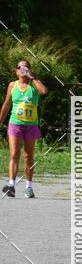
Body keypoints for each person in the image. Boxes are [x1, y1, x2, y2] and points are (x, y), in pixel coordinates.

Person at [1, 59, 48, 198]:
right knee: (14, 154)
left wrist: (33, 77)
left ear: (29, 70)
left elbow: (44, 91)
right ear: (16, 71)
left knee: (28, 156)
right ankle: (11, 186)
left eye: (26, 67)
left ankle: (28, 187)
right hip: (15, 124)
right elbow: (6, 105)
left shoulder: (34, 84)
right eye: (20, 67)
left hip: (31, 125)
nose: (23, 69)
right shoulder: (12, 85)